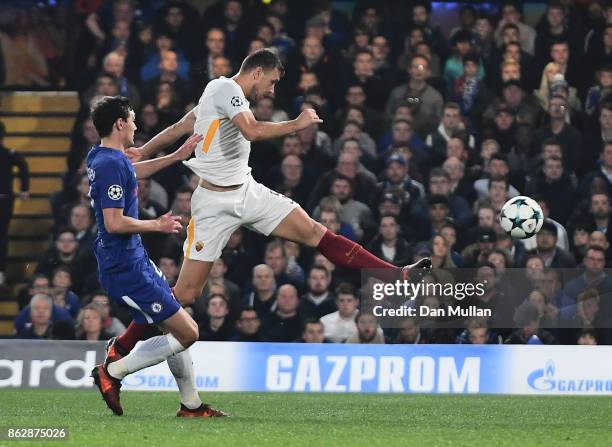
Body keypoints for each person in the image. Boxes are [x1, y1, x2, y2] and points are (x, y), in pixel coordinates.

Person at [127, 48, 430, 312]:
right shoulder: (225, 90)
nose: (272, 90)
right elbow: (253, 131)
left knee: (314, 231)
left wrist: (143, 149)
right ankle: (121, 348)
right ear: (257, 72)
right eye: (272, 82)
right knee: (185, 295)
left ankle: (396, 276)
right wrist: (296, 124)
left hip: (246, 191)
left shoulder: (217, 93)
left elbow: (184, 124)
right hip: (212, 203)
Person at [86, 96, 226, 418]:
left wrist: (176, 156)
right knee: (187, 333)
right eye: (132, 120)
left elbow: (132, 172)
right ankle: (114, 371)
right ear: (120, 123)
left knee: (168, 325)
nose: (136, 125)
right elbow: (113, 222)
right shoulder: (109, 163)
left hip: (135, 258)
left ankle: (190, 406)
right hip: (123, 266)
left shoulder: (104, 157)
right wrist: (157, 224)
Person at [0, 121, 29, 285]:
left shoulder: (9, 154)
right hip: (4, 200)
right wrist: (24, 189)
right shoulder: (9, 154)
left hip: (4, 200)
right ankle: (0, 272)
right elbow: (23, 165)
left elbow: (23, 165)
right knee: (2, 237)